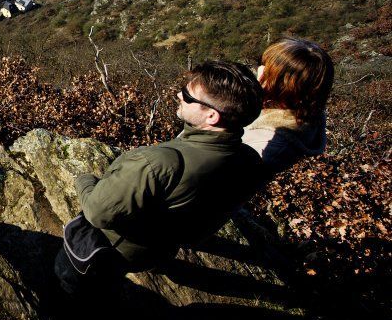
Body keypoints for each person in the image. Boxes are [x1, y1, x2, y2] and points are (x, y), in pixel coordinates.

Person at [55, 61, 265, 294]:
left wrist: (84, 180)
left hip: (113, 250)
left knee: (69, 279)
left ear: (212, 116)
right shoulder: (250, 161)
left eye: (187, 95)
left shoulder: (157, 163)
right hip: (159, 250)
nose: (179, 94)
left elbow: (97, 212)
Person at [243, 38, 334, 174]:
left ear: (285, 88)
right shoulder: (304, 114)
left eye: (267, 71)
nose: (259, 70)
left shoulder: (268, 144)